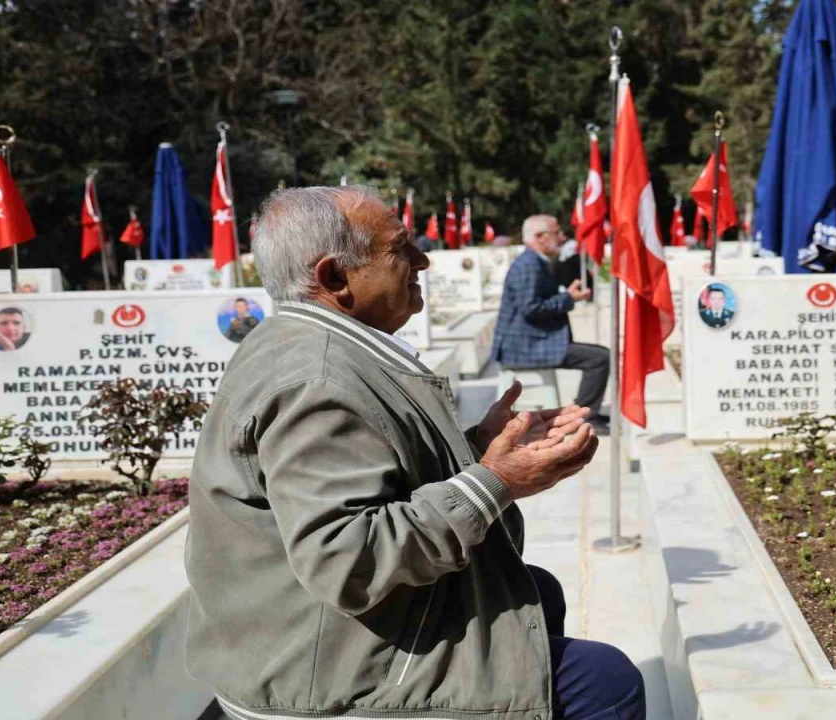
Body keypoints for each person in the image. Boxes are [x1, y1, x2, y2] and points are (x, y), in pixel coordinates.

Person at [185, 187, 645, 720]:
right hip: (315, 675)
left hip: (315, 636)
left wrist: (478, 447)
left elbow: (375, 472)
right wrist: (496, 480)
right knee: (606, 680)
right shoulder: (319, 380)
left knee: (535, 593)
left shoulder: (310, 345)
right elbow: (347, 559)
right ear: (335, 278)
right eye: (401, 248)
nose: (422, 260)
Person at [491, 215, 610, 433]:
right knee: (599, 358)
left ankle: (584, 411)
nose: (563, 237)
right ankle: (584, 416)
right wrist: (569, 299)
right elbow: (531, 308)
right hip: (524, 347)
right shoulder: (529, 265)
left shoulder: (536, 261)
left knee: (598, 355)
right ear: (539, 237)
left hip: (530, 341)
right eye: (557, 233)